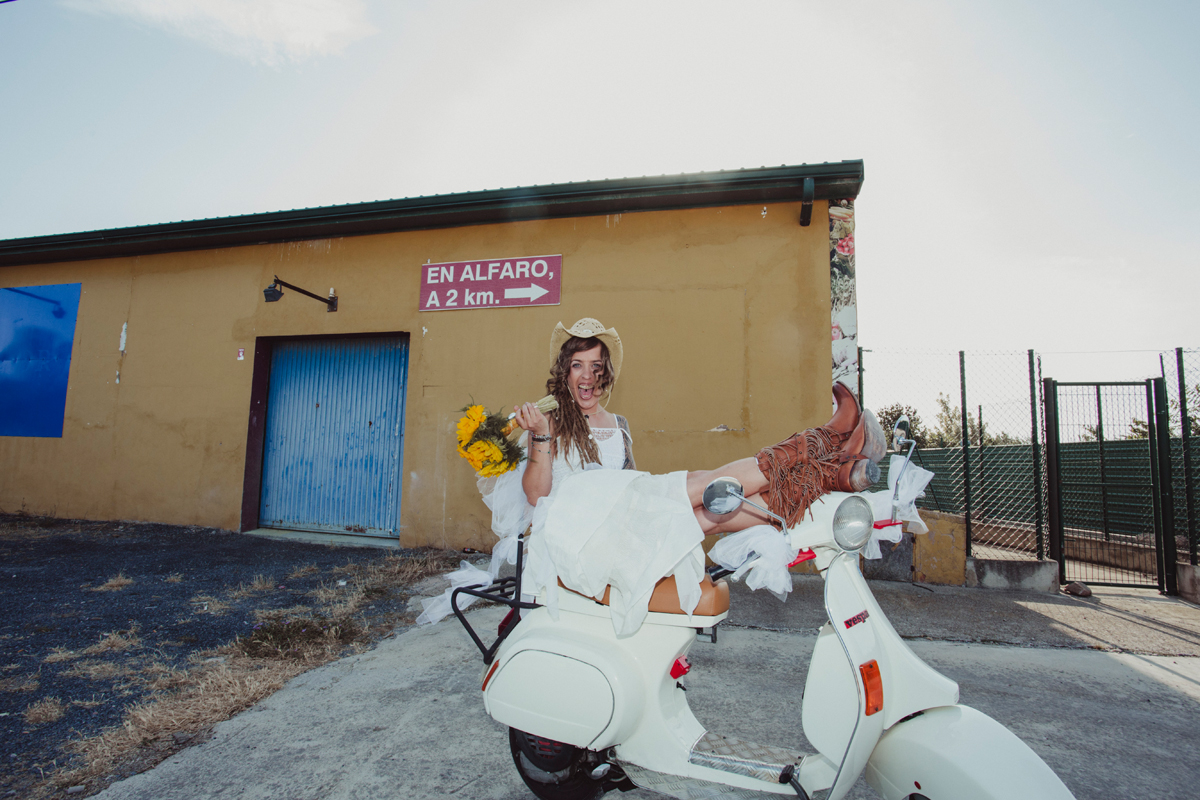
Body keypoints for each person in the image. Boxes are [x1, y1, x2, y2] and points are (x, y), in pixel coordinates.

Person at [507, 317, 884, 636]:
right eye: (577, 364)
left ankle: (827, 478)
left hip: (619, 523)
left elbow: (630, 481)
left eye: (595, 365)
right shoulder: (548, 421)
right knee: (707, 485)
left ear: (605, 374)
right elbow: (537, 497)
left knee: (712, 509)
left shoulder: (618, 426)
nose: (587, 375)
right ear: (564, 371)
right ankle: (828, 444)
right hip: (576, 532)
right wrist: (541, 433)